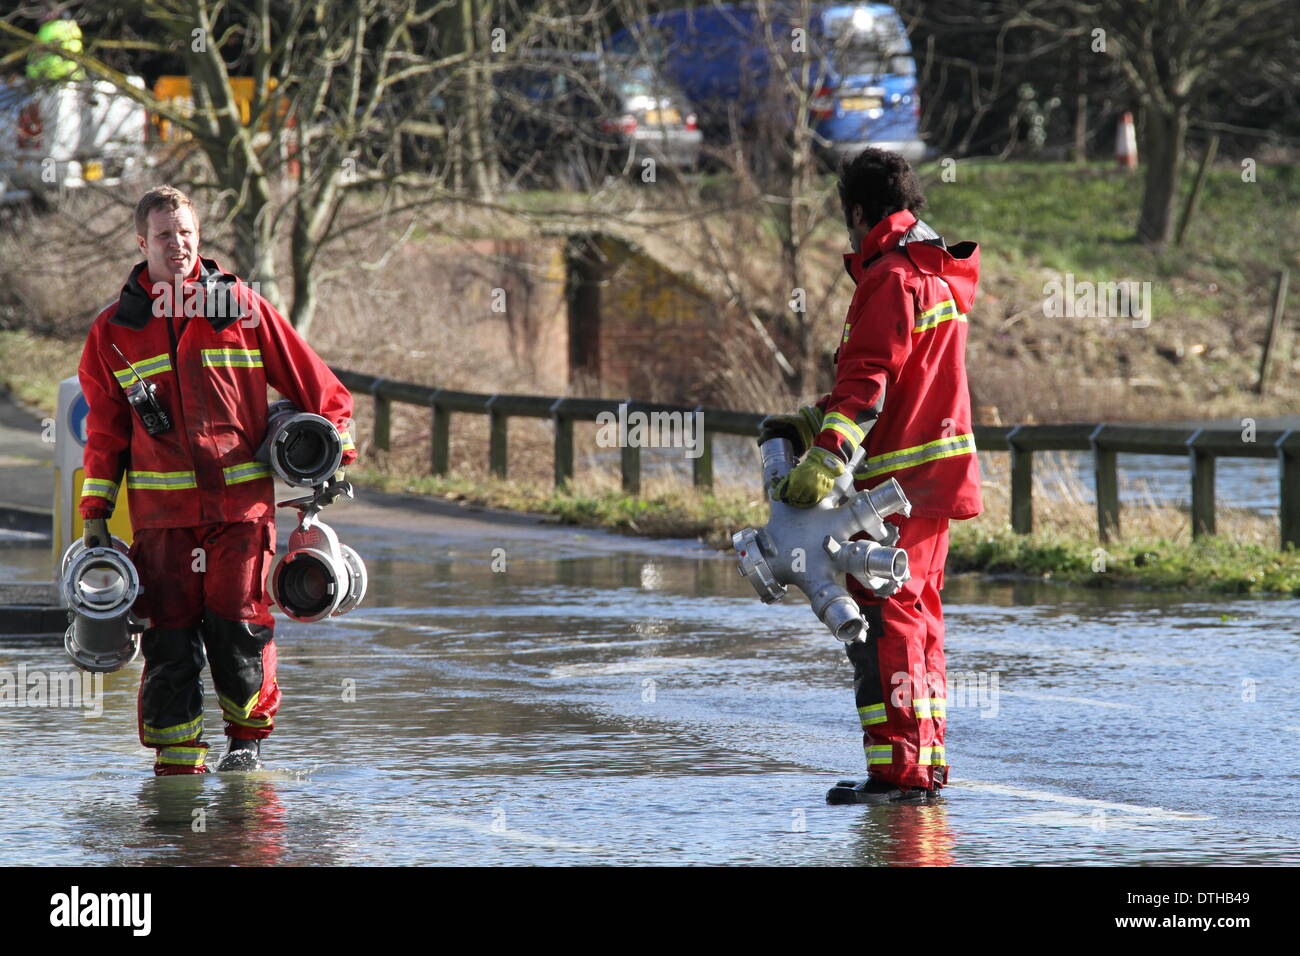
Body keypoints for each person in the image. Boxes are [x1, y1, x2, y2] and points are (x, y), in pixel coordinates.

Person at [78, 185, 357, 775]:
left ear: (198, 238)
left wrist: (334, 454)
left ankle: (246, 746)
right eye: (163, 235)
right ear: (141, 242)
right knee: (169, 638)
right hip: (162, 521)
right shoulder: (114, 332)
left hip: (240, 512)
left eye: (185, 234)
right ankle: (178, 765)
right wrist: (97, 513)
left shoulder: (244, 310)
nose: (175, 245)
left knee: (239, 624)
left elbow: (322, 388)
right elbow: (105, 432)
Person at [760, 147, 982, 805]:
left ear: (859, 212)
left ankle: (900, 774)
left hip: (897, 487)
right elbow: (900, 381)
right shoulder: (934, 273)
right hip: (936, 479)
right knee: (921, 618)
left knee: (890, 624)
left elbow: (870, 380)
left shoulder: (888, 278)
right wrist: (812, 420)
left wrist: (826, 454)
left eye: (848, 221)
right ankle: (926, 765)